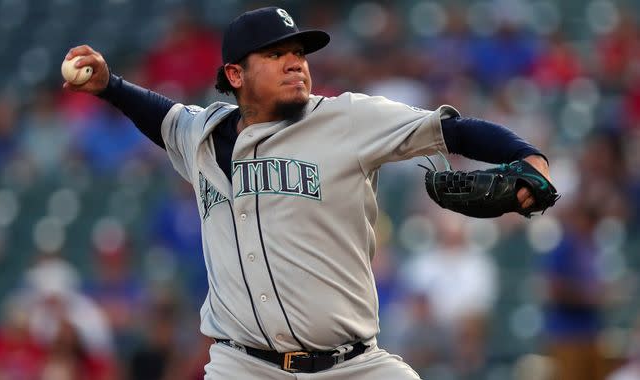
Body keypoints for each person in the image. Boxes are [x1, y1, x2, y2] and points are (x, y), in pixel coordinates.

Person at [63, 6, 552, 379]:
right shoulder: (201, 135)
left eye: (299, 53)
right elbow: (161, 116)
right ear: (235, 75)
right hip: (244, 366)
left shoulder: (348, 118)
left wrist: (531, 158)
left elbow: (455, 132)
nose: (295, 63)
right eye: (276, 55)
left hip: (352, 365)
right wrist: (110, 85)